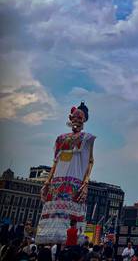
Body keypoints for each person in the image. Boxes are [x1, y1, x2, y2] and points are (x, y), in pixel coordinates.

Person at [36, 102, 95, 244]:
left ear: (84, 120)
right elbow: (55, 161)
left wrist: (86, 182)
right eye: (74, 117)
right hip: (57, 182)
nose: (76, 121)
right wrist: (47, 181)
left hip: (75, 182)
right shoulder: (61, 139)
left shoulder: (87, 138)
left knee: (70, 221)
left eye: (80, 118)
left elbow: (90, 161)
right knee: (51, 221)